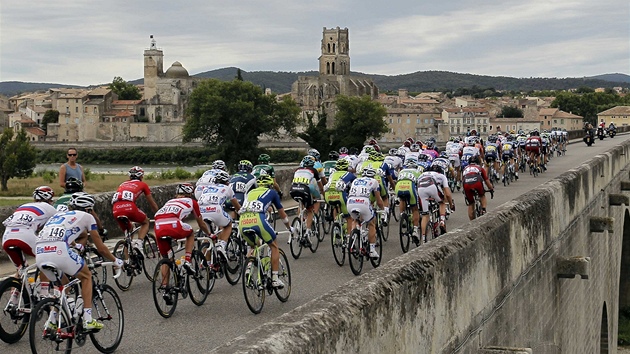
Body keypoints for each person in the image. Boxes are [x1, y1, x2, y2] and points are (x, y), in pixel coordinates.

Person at [36, 193, 124, 331]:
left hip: (40, 252)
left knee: (63, 286)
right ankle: (88, 319)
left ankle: (52, 320)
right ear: (89, 209)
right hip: (59, 250)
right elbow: (101, 248)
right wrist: (116, 260)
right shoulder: (88, 217)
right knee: (86, 276)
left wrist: (76, 247)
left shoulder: (58, 216)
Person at [154, 183, 213, 304]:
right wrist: (209, 234)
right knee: (190, 232)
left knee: (166, 258)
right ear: (190, 195)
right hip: (174, 224)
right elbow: (201, 224)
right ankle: (187, 261)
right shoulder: (192, 202)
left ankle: (165, 288)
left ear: (177, 194)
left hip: (158, 226)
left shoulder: (170, 201)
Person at [239, 174, 295, 288]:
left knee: (253, 246)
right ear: (270, 185)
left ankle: (249, 268)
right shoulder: (272, 193)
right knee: (274, 246)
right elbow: (282, 213)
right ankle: (275, 279)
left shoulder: (250, 193)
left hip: (243, 221)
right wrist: (289, 228)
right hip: (258, 220)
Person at [2, 186, 58, 300]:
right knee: (46, 259)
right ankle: (44, 293)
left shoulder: (23, 206)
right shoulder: (50, 208)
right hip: (24, 236)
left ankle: (13, 300)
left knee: (21, 268)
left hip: (7, 237)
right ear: (49, 199)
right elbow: (55, 228)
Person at [112, 166, 159, 253]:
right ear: (141, 176)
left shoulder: (122, 184)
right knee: (145, 222)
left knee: (128, 237)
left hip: (115, 209)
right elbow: (152, 203)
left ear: (130, 177)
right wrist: (158, 214)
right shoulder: (143, 185)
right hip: (129, 207)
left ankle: (127, 261)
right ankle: (139, 243)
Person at [198, 170, 241, 258]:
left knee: (208, 237)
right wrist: (241, 212)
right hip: (215, 209)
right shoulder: (228, 188)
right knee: (228, 224)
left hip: (201, 211)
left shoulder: (207, 188)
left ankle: (209, 265)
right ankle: (221, 245)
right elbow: (236, 206)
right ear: (227, 182)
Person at [346, 166, 384, 259]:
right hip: (363, 202)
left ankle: (353, 239)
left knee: (355, 220)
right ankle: (372, 250)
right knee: (371, 223)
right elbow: (379, 200)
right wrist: (383, 209)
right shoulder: (374, 182)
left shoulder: (356, 180)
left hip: (350, 201)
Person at [289, 156, 324, 245]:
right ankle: (307, 232)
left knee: (301, 204)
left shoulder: (297, 170)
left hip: (293, 189)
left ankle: (298, 223)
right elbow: (320, 185)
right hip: (304, 189)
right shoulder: (313, 170)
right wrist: (323, 194)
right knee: (309, 210)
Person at [416, 164, 454, 242]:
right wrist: (451, 204)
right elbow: (447, 193)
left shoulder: (422, 174)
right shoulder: (442, 176)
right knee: (442, 202)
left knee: (425, 215)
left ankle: (423, 239)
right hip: (432, 185)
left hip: (421, 188)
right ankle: (442, 222)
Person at [323, 159, 356, 239]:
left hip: (328, 196)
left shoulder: (332, 174)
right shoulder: (349, 174)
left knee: (336, 206)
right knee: (349, 218)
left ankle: (336, 223)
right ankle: (349, 237)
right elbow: (355, 185)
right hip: (340, 195)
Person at [394, 160, 422, 244]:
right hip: (410, 186)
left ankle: (402, 215)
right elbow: (420, 186)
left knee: (402, 199)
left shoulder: (402, 171)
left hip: (399, 186)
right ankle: (415, 230)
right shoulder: (418, 171)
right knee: (415, 209)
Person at [462, 154, 494, 220]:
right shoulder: (480, 168)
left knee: (471, 203)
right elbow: (486, 180)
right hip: (477, 181)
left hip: (466, 183)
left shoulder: (465, 168)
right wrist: (491, 188)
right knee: (482, 195)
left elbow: (462, 180)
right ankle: (484, 209)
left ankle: (472, 221)